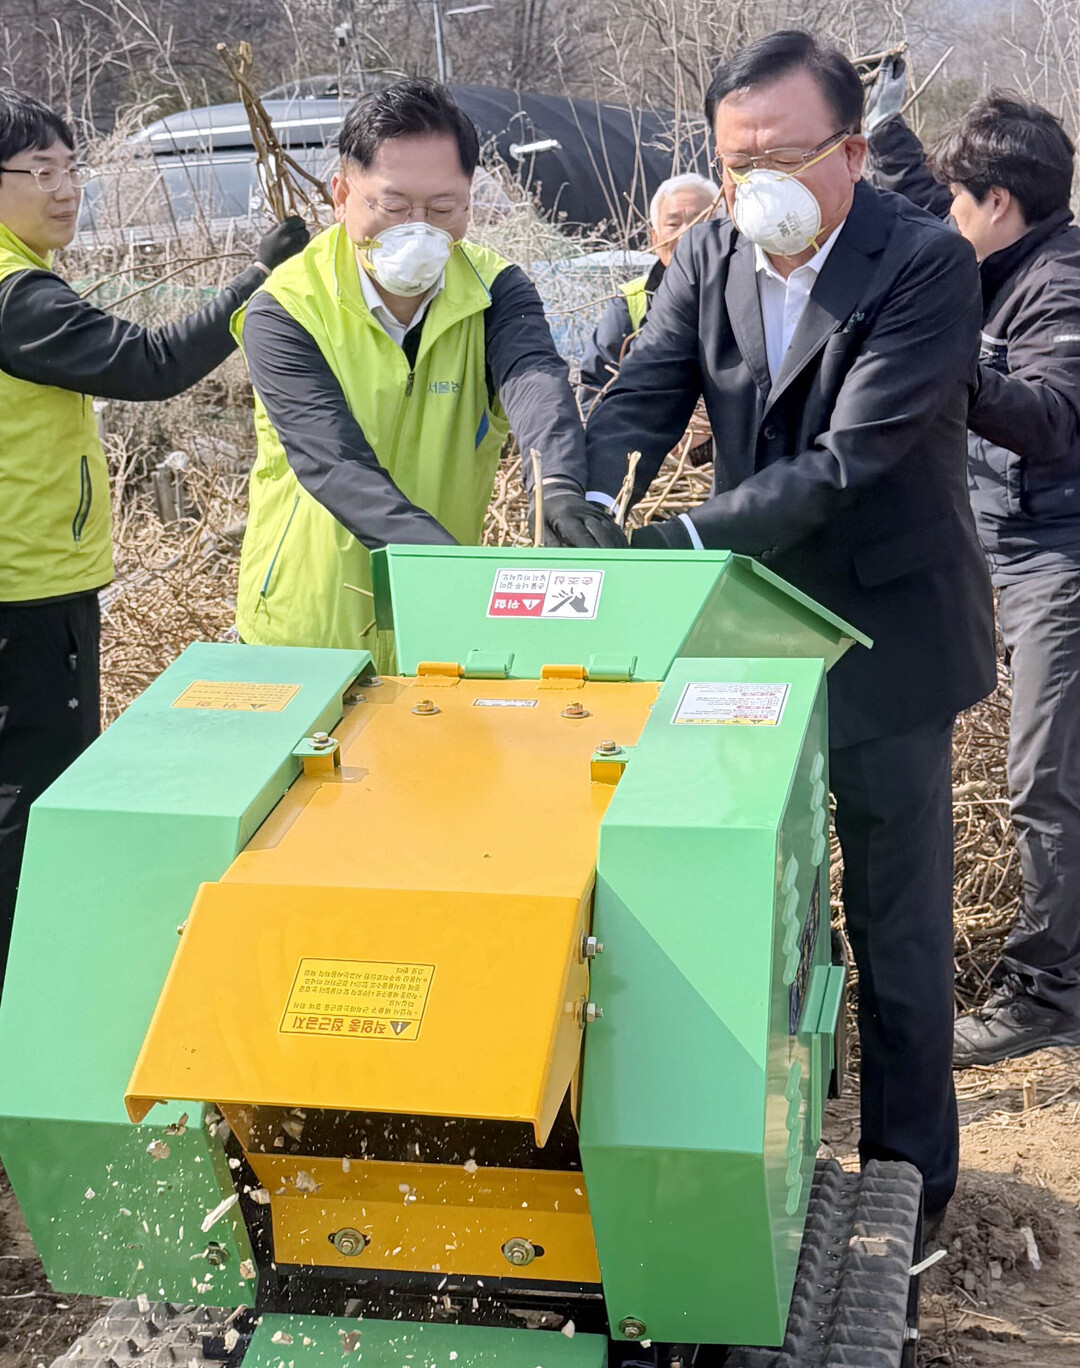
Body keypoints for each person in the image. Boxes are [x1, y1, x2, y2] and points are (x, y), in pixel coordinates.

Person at [567, 31, 996, 1227]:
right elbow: (648, 388)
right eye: (732, 158)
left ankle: (911, 1191)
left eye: (784, 157)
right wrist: (591, 499)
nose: (755, 183)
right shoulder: (709, 251)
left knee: (895, 929)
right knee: (761, 912)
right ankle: (769, 1161)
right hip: (750, 640)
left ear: (853, 152)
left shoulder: (921, 265)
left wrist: (688, 542)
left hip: (886, 640)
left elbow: (852, 456)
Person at [0, 88, 307, 993]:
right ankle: (28, 998)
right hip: (27, 594)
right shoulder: (18, 299)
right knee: (28, 802)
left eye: (70, 170)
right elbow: (152, 364)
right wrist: (259, 280)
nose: (65, 191)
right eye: (39, 173)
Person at [232, 78, 623, 658]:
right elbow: (333, 462)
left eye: (443, 208)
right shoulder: (287, 306)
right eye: (392, 206)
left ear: (470, 199)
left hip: (433, 629)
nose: (418, 229)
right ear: (341, 194)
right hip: (308, 629)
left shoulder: (496, 289)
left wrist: (558, 485)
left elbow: (534, 380)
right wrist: (456, 574)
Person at [867, 74, 1080, 1066]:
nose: (946, 218)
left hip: (1058, 557)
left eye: (964, 200)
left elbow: (1047, 420)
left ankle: (1047, 990)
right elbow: (919, 203)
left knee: (1046, 776)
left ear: (1002, 206)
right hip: (1000, 547)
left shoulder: (1062, 284)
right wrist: (883, 130)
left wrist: (942, 355)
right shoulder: (1005, 256)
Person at [577, 172, 719, 412]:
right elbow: (594, 392)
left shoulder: (747, 292)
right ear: (655, 240)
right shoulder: (630, 300)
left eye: (700, 220)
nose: (686, 235)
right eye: (673, 224)